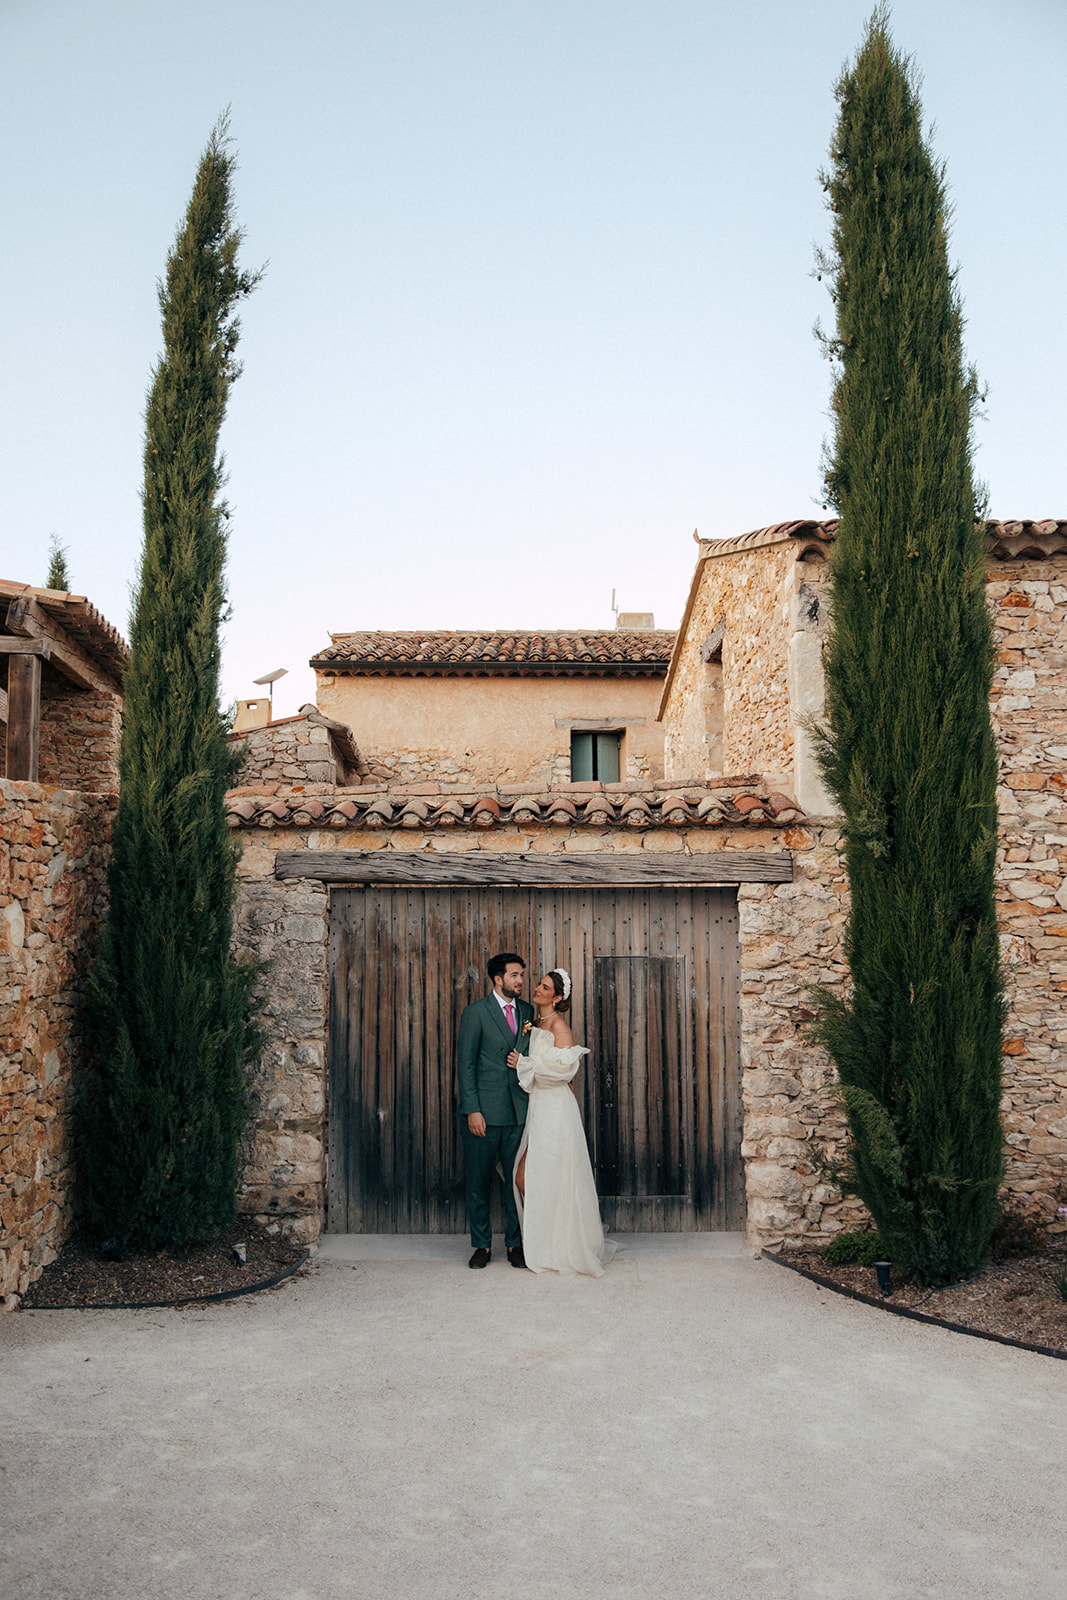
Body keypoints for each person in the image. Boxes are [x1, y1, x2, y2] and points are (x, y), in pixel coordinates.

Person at [509, 968, 617, 1277]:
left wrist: (524, 1063)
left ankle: (562, 1244)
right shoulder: (535, 1020)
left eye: (545, 988)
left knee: (547, 1174)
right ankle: (548, 1238)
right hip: (537, 1106)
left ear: (557, 997)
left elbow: (564, 1072)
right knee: (528, 1176)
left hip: (555, 1108)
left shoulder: (559, 1026)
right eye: (539, 984)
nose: (538, 989)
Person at [456, 952, 534, 1268]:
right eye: (515, 975)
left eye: (522, 975)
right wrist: (473, 1109)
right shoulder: (475, 1013)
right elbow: (466, 1064)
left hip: (519, 1111)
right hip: (484, 1114)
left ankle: (515, 1244)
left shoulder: (529, 1012)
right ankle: (482, 1246)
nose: (521, 981)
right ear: (497, 979)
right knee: (479, 1181)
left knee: (515, 1181)